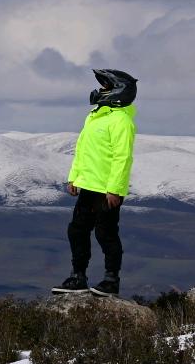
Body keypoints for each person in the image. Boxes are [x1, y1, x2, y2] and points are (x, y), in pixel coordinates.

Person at [52, 68, 138, 297]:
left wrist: (115, 190)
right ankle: (77, 277)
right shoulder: (95, 116)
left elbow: (123, 157)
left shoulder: (121, 120)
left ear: (118, 90)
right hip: (88, 186)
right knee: (77, 231)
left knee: (105, 233)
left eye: (106, 86)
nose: (100, 90)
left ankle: (111, 280)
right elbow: (83, 150)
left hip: (106, 189)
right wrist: (75, 177)